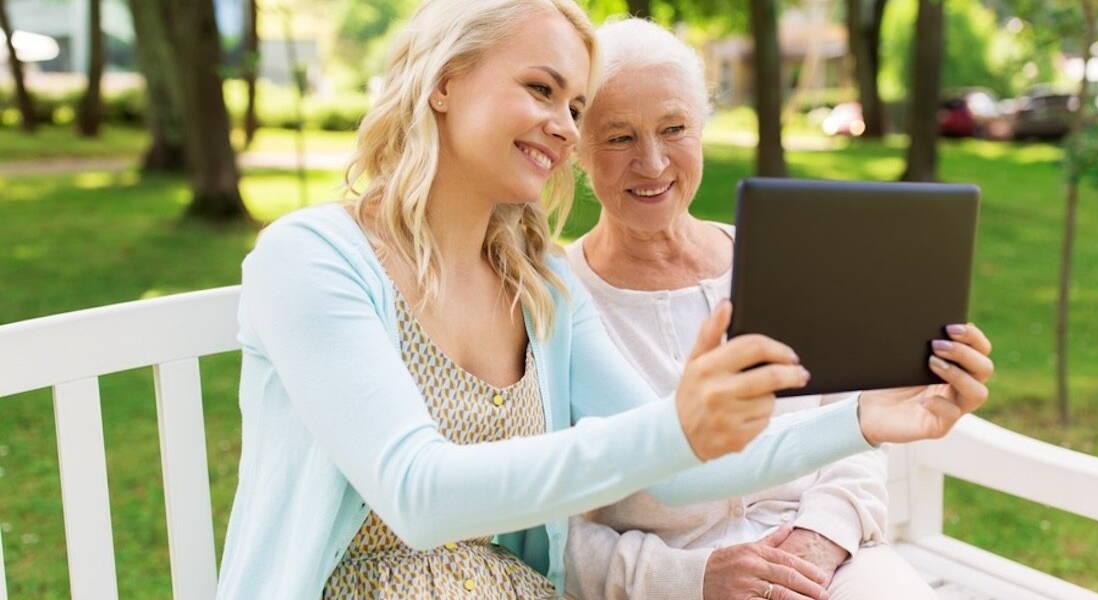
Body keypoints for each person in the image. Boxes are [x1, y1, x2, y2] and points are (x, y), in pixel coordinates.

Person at [214, 2, 992, 598]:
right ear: (446, 81)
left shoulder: (535, 283)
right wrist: (677, 429)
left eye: (575, 106)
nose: (562, 126)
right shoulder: (313, 258)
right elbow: (418, 496)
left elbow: (675, 471)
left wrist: (860, 420)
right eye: (542, 90)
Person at [563, 18, 993, 600]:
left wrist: (819, 541)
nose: (654, 162)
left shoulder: (780, 258)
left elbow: (855, 433)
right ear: (577, 146)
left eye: (674, 128)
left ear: (702, 131)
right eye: (618, 137)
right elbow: (551, 530)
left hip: (828, 560)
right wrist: (692, 578)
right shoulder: (556, 300)